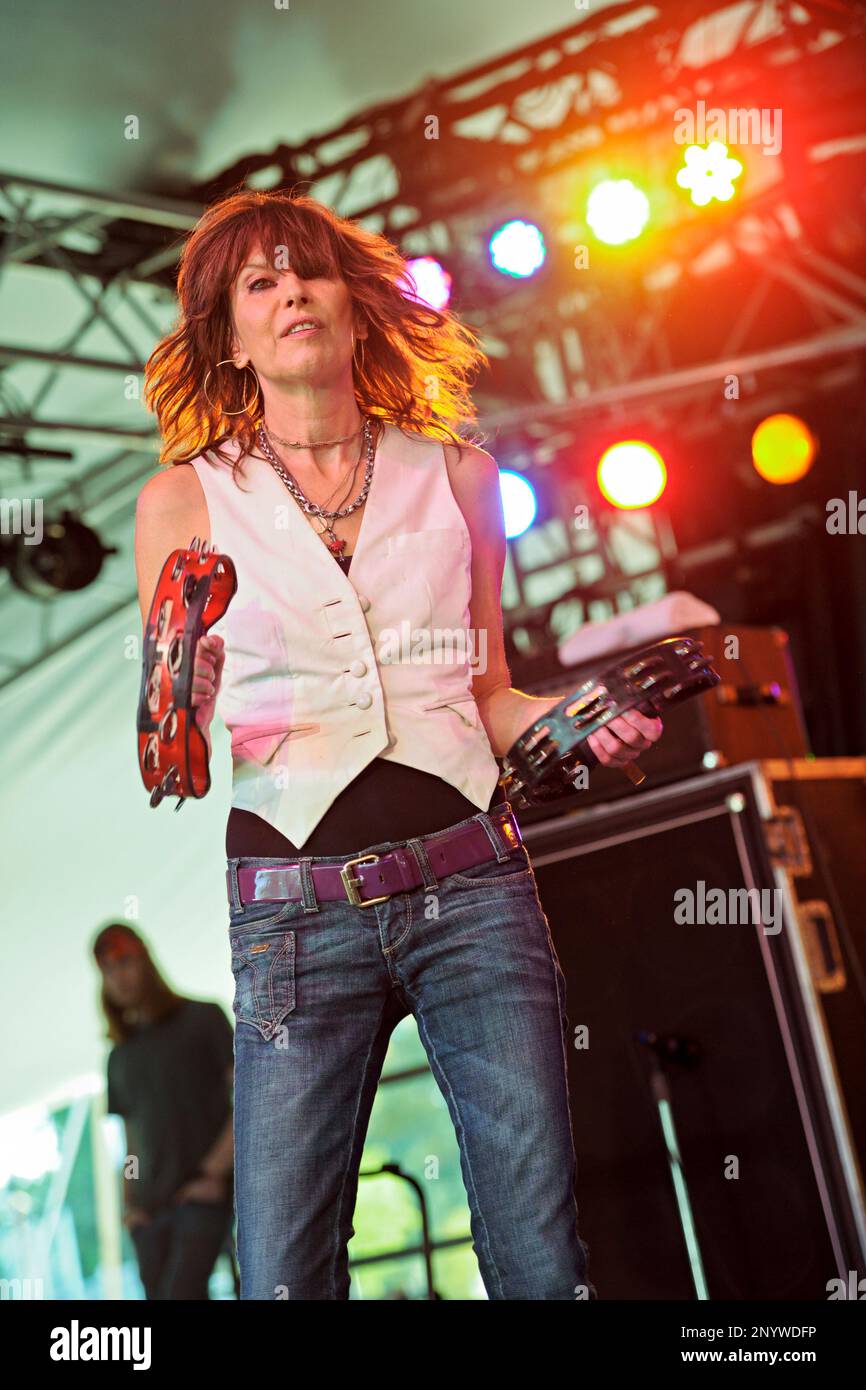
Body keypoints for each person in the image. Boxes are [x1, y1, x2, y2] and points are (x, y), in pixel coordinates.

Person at [134, 188, 663, 1300]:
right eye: (260, 284)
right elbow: (169, 727)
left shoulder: (458, 476)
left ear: (354, 302)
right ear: (230, 337)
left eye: (308, 273)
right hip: (291, 908)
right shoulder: (182, 502)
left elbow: (486, 692)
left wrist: (576, 719)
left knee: (535, 1244)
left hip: (473, 887)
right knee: (281, 1266)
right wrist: (183, 688)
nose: (291, 296)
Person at [94, 923, 235, 1299]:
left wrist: (213, 1174)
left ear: (145, 960)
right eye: (107, 970)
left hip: (210, 1193)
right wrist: (130, 1206)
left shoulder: (204, 1018)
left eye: (125, 962)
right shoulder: (119, 1058)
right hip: (152, 1209)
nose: (118, 977)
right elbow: (132, 1143)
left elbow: (250, 1103)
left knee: (180, 1292)